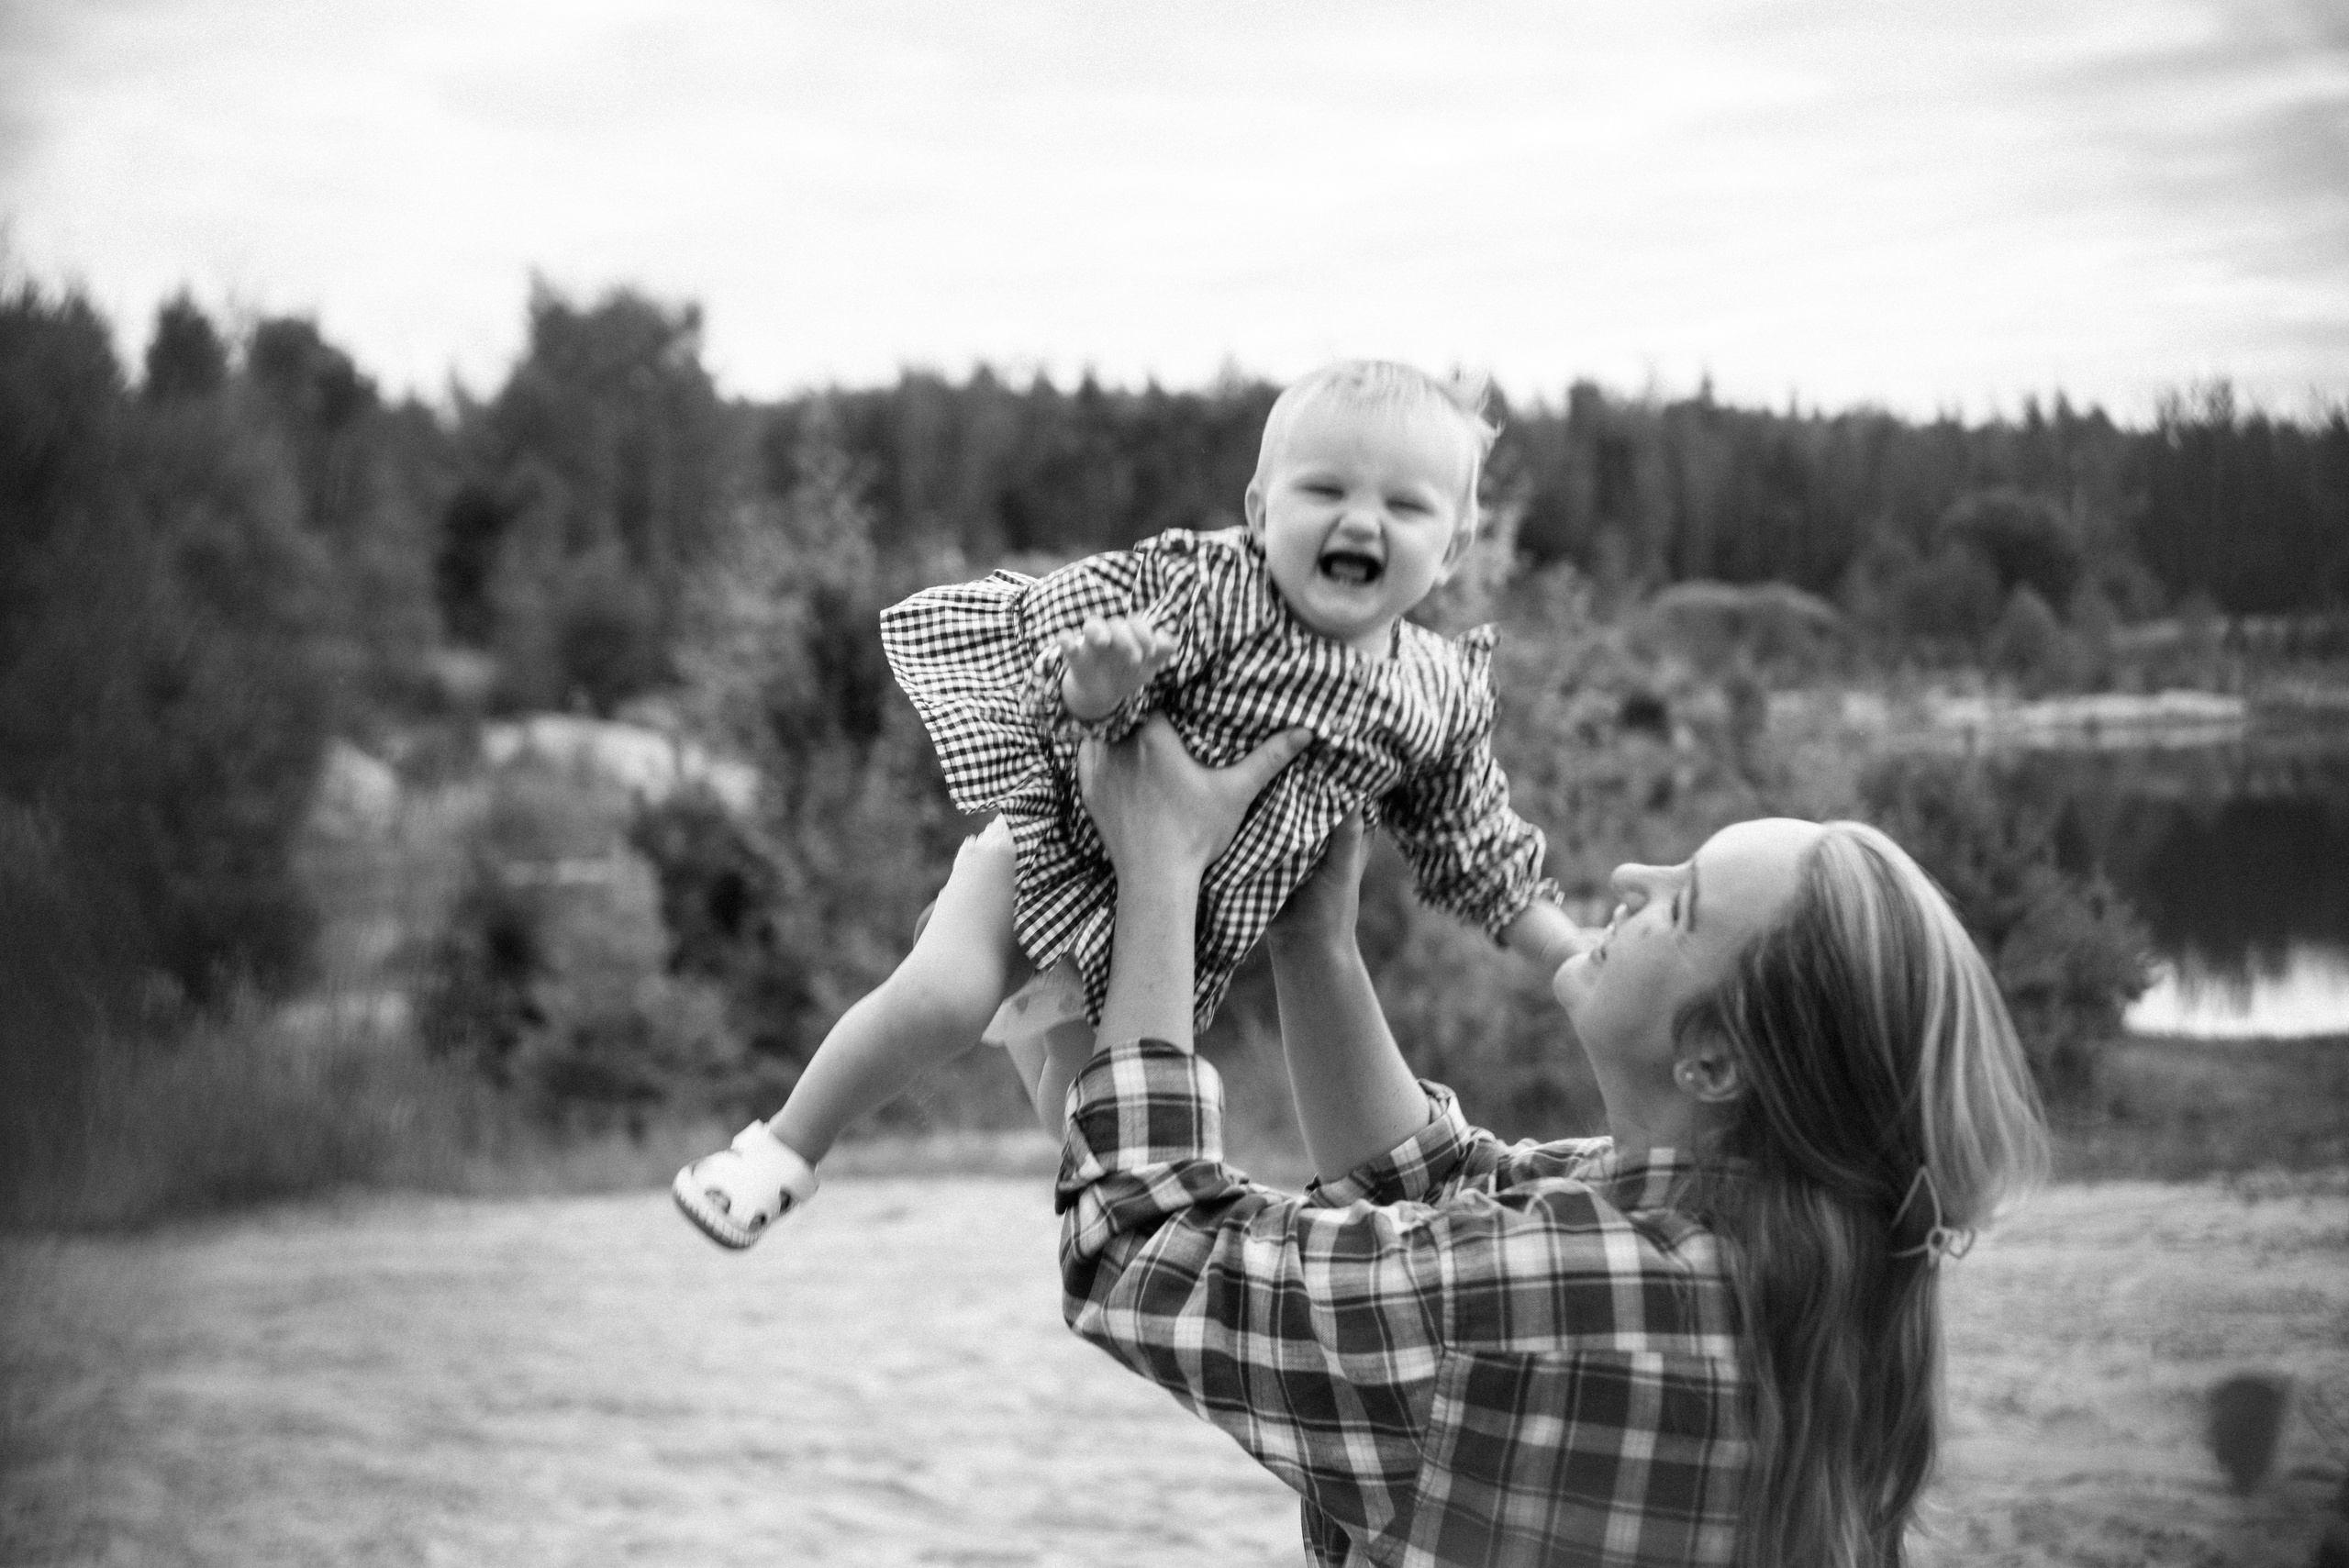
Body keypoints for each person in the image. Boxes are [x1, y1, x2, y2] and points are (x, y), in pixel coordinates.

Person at [1053, 716, 2050, 1568]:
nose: (1628, 875)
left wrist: (1159, 866)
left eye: (1680, 903)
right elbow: (1431, 1190)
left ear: (1713, 1061)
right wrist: (1316, 941)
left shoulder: (1561, 1290)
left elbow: (1140, 1251)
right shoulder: (1787, 1248)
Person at [674, 361, 1583, 1248]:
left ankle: (1027, 1032)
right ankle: (778, 1154)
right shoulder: (1211, 592)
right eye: (1324, 490)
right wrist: (1096, 683)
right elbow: (1088, 710)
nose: (1358, 518)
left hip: (1162, 939)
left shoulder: (1437, 693)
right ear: (1260, 514)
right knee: (947, 995)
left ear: (1453, 546)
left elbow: (1472, 839)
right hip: (1049, 853)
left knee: (1094, 1126)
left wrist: (1563, 951)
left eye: (1404, 505)